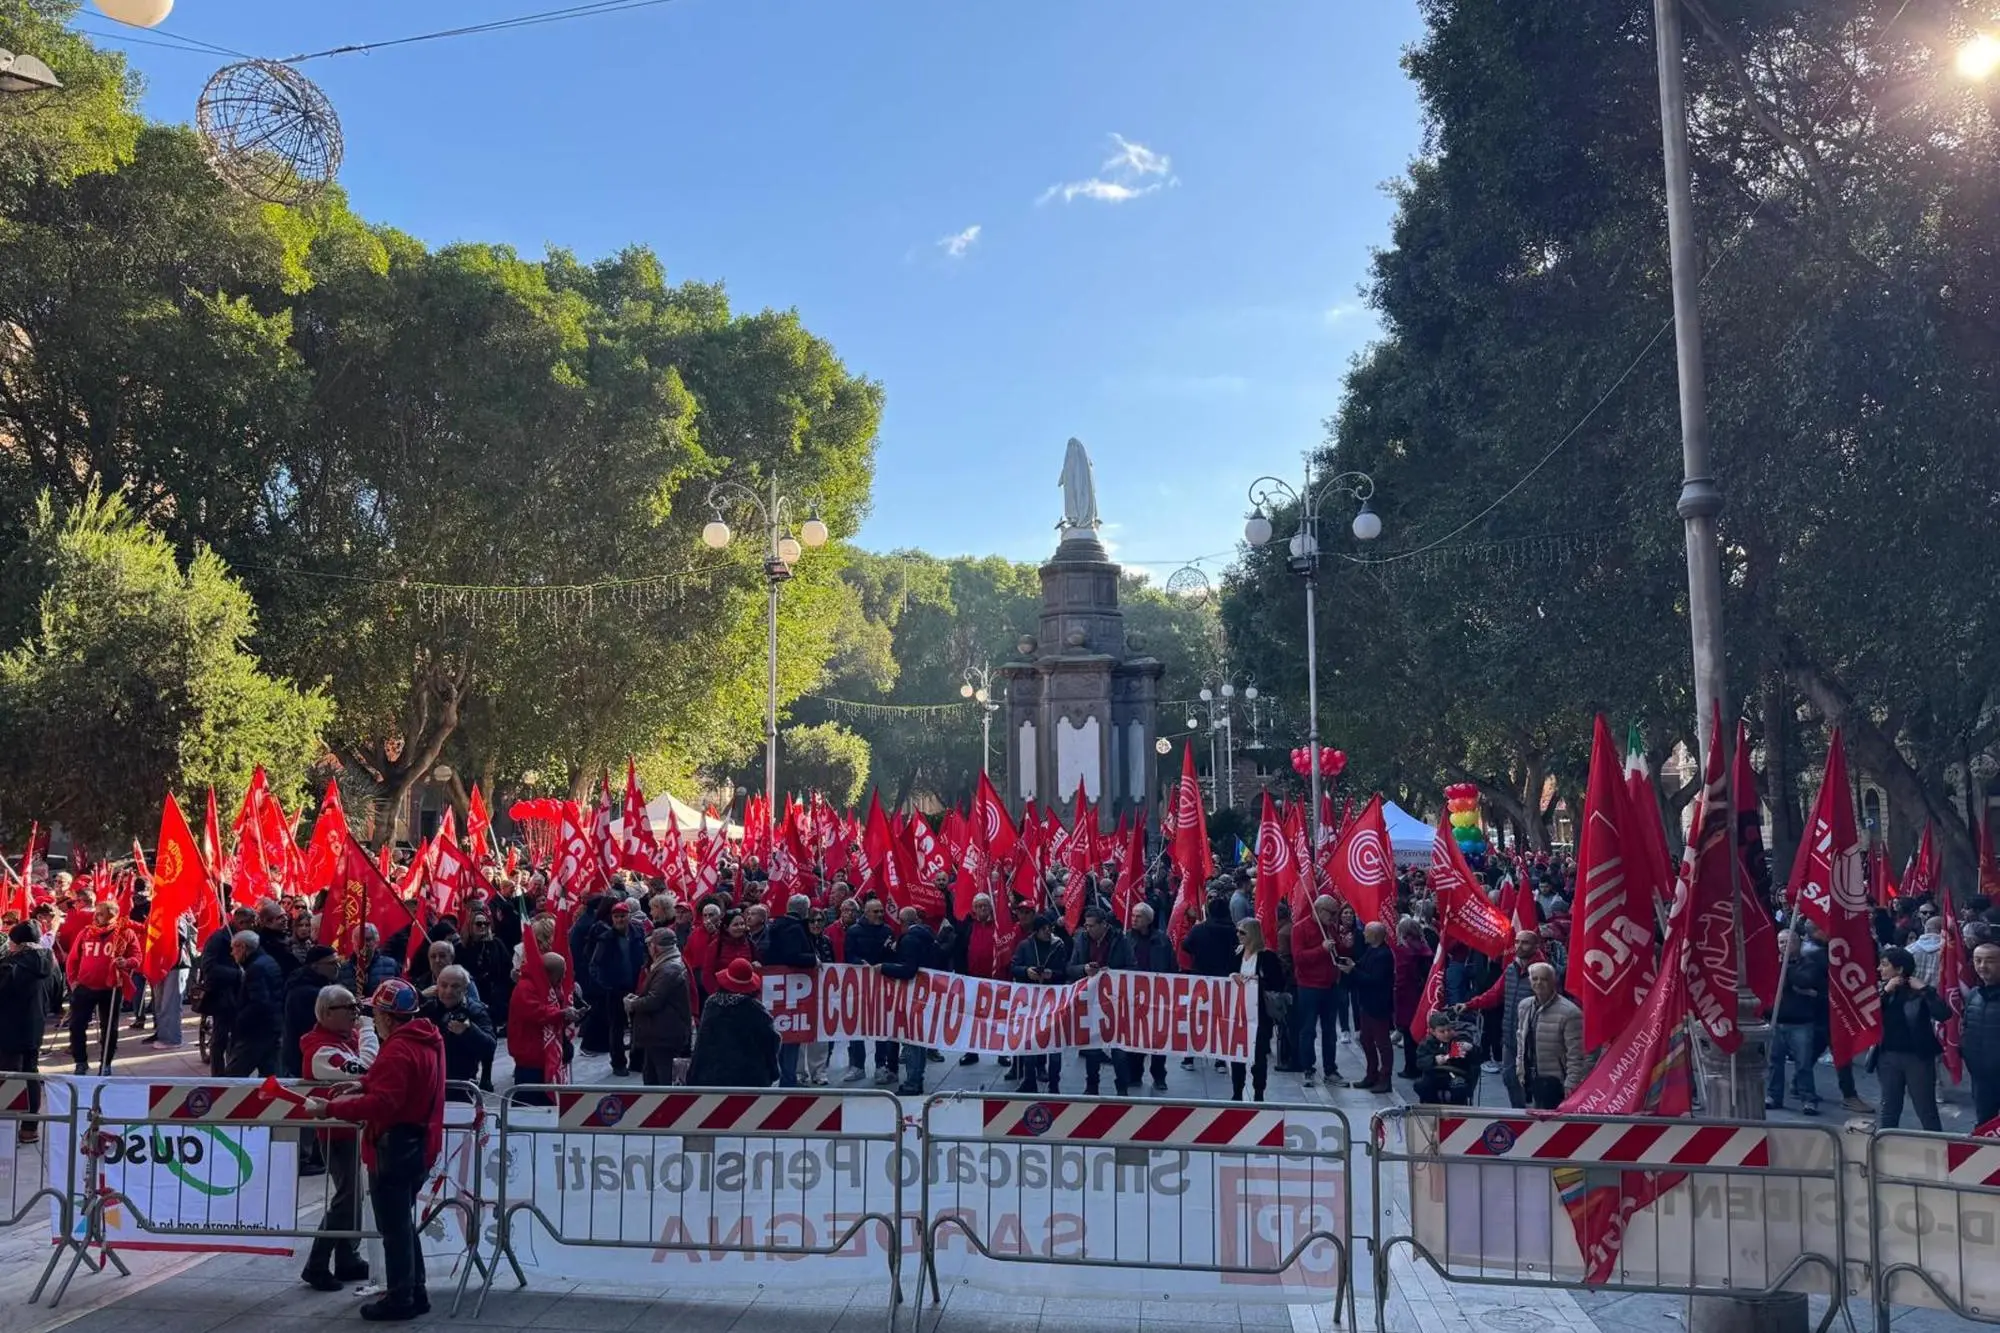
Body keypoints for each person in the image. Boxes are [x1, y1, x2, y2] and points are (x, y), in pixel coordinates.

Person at [307, 979, 445, 1322]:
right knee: (403, 1225)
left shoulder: (398, 1049)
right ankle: (415, 1291)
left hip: (394, 1146)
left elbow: (384, 1103)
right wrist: (364, 1082)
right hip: (417, 1143)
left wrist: (331, 1109)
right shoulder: (426, 1039)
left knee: (394, 1228)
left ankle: (401, 1297)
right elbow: (393, 1083)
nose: (368, 1018)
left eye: (374, 1013)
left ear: (388, 1017)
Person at [298, 984, 372, 1293]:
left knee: (354, 1197)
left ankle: (347, 1257)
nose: (356, 1014)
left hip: (355, 1126)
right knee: (346, 1198)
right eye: (349, 1008)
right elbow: (367, 1067)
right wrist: (369, 1030)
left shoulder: (344, 1039)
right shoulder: (321, 1050)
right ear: (327, 1013)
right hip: (338, 1131)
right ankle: (317, 1263)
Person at [1460, 930, 1551, 1108]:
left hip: (1535, 1038)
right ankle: (1518, 1113)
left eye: (1524, 943)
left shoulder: (1543, 973)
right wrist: (1469, 1005)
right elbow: (1494, 994)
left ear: (1536, 946)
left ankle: (1541, 1117)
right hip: (1511, 1034)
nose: (1519, 946)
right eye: (1517, 942)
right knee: (1509, 1077)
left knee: (1538, 1080)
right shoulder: (1511, 969)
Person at [1875, 944, 1951, 1131]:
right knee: (1889, 1107)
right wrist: (1885, 992)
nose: (1879, 969)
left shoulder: (1919, 991)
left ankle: (1937, 1148)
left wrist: (1925, 990)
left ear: (1899, 969)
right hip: (1887, 1056)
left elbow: (1943, 1014)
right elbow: (1867, 1016)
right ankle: (1885, 1146)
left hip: (1917, 1057)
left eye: (1884, 965)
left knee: (1926, 1108)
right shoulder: (1881, 991)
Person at [65, 900, 140, 1075]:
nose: (96, 916)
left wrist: (127, 962)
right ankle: (80, 1061)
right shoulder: (86, 933)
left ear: (112, 915)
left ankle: (106, 1063)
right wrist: (73, 981)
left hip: (112, 988)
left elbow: (137, 956)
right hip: (85, 987)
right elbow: (73, 959)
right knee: (77, 1025)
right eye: (96, 913)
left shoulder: (125, 933)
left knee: (110, 1028)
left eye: (100, 913)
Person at [1067, 907, 1134, 1095]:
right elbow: (1070, 968)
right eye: (1085, 925)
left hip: (1116, 1001)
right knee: (1091, 1046)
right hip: (1090, 1001)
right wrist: (1084, 969)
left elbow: (1132, 968)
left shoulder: (1121, 940)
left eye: (1091, 926)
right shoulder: (1081, 940)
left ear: (1103, 925)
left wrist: (1110, 972)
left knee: (1119, 1050)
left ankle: (1122, 1088)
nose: (1087, 929)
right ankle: (1091, 1086)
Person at [686, 958, 780, 1087]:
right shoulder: (755, 1009)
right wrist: (773, 1071)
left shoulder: (712, 1004)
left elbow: (701, 1043)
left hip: (711, 1077)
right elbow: (771, 1041)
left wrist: (693, 1074)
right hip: (750, 1079)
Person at [1289, 896, 1350, 1089]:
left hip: (1330, 985)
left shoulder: (1330, 927)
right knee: (1308, 1030)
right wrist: (1320, 949)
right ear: (1318, 910)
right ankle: (1308, 1068)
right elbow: (1298, 958)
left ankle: (1330, 1069)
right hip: (1308, 986)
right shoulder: (1300, 928)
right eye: (1331, 913)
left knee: (1330, 1031)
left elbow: (1335, 950)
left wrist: (1343, 945)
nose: (1333, 918)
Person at [761, 894, 819, 1088]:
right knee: (793, 1036)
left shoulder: (775, 925)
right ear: (804, 910)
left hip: (779, 988)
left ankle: (787, 1077)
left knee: (783, 1035)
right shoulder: (794, 928)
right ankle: (789, 1080)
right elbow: (793, 956)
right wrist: (813, 959)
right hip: (792, 989)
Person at [1767, 931, 1826, 1115]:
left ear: (1798, 943)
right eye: (1781, 942)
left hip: (1800, 1022)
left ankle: (1808, 1099)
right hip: (1776, 1020)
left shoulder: (1809, 964)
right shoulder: (1771, 965)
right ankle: (1773, 1096)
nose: (1784, 946)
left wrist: (1786, 969)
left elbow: (1804, 980)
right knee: (1774, 1062)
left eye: (1788, 942)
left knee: (1803, 1064)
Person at [0, 923, 50, 1139]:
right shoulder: (50, 961)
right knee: (30, 1073)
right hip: (35, 1027)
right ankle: (30, 1128)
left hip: (9, 1028)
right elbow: (56, 995)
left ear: (18, 944)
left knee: (9, 1075)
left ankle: (6, 1129)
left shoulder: (11, 966)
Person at [840, 897, 898, 1084]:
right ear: (866, 912)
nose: (880, 914)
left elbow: (892, 956)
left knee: (881, 1027)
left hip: (881, 986)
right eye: (876, 911)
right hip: (859, 986)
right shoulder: (854, 931)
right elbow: (849, 954)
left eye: (881, 911)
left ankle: (881, 1066)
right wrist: (860, 964)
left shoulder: (888, 931)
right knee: (858, 1026)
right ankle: (858, 1066)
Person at [1010, 914, 1070, 1094]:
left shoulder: (1058, 946)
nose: (1048, 932)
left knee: (1054, 1045)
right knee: (1030, 1043)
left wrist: (1053, 974)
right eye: (1044, 929)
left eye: (1050, 928)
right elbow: (1014, 967)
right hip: (1031, 1000)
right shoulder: (1025, 946)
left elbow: (1065, 970)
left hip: (1053, 1001)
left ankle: (1054, 1084)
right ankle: (1029, 1080)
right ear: (1036, 931)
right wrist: (1026, 971)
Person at [627, 929, 694, 1086]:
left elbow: (654, 1000)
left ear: (656, 947)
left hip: (664, 1036)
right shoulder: (667, 964)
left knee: (663, 1081)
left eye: (650, 945)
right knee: (651, 1077)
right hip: (658, 1034)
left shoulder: (669, 969)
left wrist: (632, 1004)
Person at [587, 901, 647, 1078]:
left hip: (636, 987)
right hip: (615, 990)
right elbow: (594, 965)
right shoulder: (606, 938)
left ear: (629, 916)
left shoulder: (638, 934)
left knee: (639, 1026)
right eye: (616, 916)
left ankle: (637, 1060)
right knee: (616, 1028)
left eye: (623, 915)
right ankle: (618, 1063)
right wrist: (606, 985)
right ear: (612, 918)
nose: (620, 919)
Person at [880, 907, 936, 1095]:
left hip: (912, 995)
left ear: (903, 922)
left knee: (911, 1040)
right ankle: (916, 1078)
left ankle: (913, 1081)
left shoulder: (910, 939)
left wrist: (884, 967)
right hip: (923, 994)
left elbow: (908, 969)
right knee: (917, 1040)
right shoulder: (926, 935)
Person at [1229, 918, 1285, 1103]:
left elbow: (1278, 982)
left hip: (1260, 1015)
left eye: (1242, 932)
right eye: (1237, 931)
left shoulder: (1267, 957)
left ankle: (1259, 1092)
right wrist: (1232, 976)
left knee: (1259, 1056)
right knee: (1236, 1055)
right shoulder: (1236, 954)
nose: (1238, 935)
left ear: (1252, 934)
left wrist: (1254, 981)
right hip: (1238, 1014)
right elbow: (1227, 973)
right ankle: (1237, 1092)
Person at [506, 953, 578, 1100]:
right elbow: (536, 1012)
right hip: (530, 1057)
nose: (563, 978)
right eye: (561, 974)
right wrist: (561, 1013)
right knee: (530, 1104)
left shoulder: (546, 987)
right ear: (549, 974)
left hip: (545, 1054)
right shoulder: (525, 988)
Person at [1515, 962, 1586, 1109]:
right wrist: (1520, 1068)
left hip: (1558, 1084)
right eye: (1535, 979)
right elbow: (1521, 1040)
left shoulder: (1570, 1013)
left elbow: (1576, 1054)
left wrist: (1571, 1084)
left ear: (1554, 981)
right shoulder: (1524, 1006)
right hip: (1533, 1079)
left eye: (1544, 979)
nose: (1539, 983)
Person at [1122, 903, 1176, 1092]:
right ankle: (1134, 1075)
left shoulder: (1162, 940)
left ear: (1148, 919)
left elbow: (1171, 966)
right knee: (1134, 1037)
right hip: (1133, 997)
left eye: (1138, 916)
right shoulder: (1125, 938)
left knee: (1158, 1039)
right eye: (1133, 915)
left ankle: (1159, 1076)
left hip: (1157, 996)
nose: (1134, 919)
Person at [421, 965, 496, 1097]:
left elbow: (489, 1047)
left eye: (455, 986)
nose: (448, 991)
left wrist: (468, 1031)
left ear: (465, 989)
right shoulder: (427, 1007)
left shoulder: (475, 1010)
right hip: (427, 1082)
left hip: (460, 1085)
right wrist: (419, 998)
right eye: (444, 985)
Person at [225, 929, 287, 1077]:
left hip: (256, 1033)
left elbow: (259, 1002)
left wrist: (240, 1021)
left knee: (233, 1077)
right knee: (270, 1075)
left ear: (243, 948)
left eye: (234, 948)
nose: (232, 953)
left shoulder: (256, 968)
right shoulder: (267, 961)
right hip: (272, 1028)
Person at [1349, 922, 1397, 1093]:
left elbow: (1374, 980)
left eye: (1367, 933)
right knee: (1366, 1040)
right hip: (1366, 1003)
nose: (1363, 935)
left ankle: (1385, 1078)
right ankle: (1371, 1074)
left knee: (1382, 1043)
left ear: (1375, 935)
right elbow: (1361, 965)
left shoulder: (1384, 955)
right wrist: (1352, 965)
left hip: (1378, 1005)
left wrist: (1353, 971)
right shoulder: (1371, 950)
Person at [283, 945, 341, 1078]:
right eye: (332, 963)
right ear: (315, 966)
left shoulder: (323, 985)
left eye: (338, 962)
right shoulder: (306, 993)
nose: (337, 967)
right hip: (305, 1058)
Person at [1963, 942, 2000, 1125]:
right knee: (1984, 1127)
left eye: (1990, 961)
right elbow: (1966, 1028)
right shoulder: (1973, 994)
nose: (1983, 966)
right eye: (1978, 960)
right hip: (1980, 1077)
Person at [1412, 1010, 1479, 1105]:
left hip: (1457, 1075)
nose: (1446, 1034)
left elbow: (1476, 1060)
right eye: (1442, 1031)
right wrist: (1433, 1060)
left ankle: (1457, 1114)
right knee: (1421, 1086)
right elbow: (1420, 1062)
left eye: (1448, 1030)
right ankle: (1431, 1109)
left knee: (1460, 1088)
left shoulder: (1459, 1039)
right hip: (1434, 1075)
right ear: (1433, 1031)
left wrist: (1471, 1049)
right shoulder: (1427, 1043)